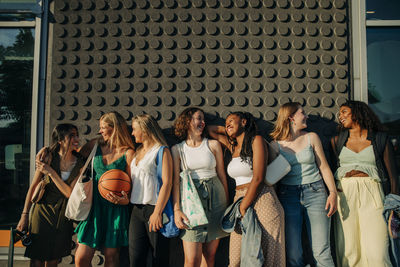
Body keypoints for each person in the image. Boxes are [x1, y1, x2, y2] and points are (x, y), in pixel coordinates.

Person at [208, 111, 285, 267]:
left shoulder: (256, 140)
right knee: (236, 259)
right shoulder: (233, 146)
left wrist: (244, 205)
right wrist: (228, 129)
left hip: (263, 198)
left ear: (243, 122)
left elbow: (258, 177)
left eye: (231, 121)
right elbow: (211, 130)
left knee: (269, 255)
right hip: (239, 199)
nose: (227, 124)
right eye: (226, 122)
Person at [331, 100, 399, 267]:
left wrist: (394, 205)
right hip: (345, 195)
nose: (340, 116)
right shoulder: (336, 141)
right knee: (349, 249)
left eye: (344, 112)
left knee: (377, 249)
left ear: (357, 113)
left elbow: (393, 176)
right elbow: (331, 169)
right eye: (339, 113)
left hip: (373, 194)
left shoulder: (380, 139)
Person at [270, 102, 337, 267]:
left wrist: (333, 193)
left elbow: (324, 167)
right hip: (288, 196)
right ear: (291, 117)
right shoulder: (274, 145)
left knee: (322, 251)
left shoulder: (311, 137)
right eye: (302, 113)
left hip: (316, 193)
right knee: (293, 253)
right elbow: (270, 179)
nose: (306, 116)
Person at [108, 114, 174, 266]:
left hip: (155, 209)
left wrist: (157, 212)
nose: (132, 133)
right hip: (136, 210)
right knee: (136, 259)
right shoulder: (137, 151)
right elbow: (132, 183)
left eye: (135, 129)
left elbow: (167, 183)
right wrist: (125, 199)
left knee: (159, 259)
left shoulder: (161, 151)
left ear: (144, 130)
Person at [16, 124, 85, 267]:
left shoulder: (80, 162)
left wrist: (51, 172)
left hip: (64, 215)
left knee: (54, 260)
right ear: (60, 139)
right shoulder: (48, 157)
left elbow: (69, 193)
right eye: (72, 135)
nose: (77, 138)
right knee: (36, 259)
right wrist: (24, 215)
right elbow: (33, 187)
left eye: (77, 135)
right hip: (42, 212)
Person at [73, 112, 135, 267]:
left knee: (111, 257)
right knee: (81, 258)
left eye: (103, 127)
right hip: (93, 207)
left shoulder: (128, 153)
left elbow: (133, 185)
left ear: (115, 128)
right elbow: (72, 156)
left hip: (115, 209)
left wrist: (125, 199)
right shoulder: (95, 145)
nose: (100, 131)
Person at [171, 107, 229, 267]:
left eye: (203, 119)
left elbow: (222, 175)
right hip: (191, 202)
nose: (203, 123)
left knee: (209, 256)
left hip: (216, 199)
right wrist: (177, 210)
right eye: (198, 118)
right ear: (188, 122)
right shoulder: (177, 149)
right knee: (192, 260)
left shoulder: (213, 145)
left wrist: (226, 204)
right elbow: (175, 181)